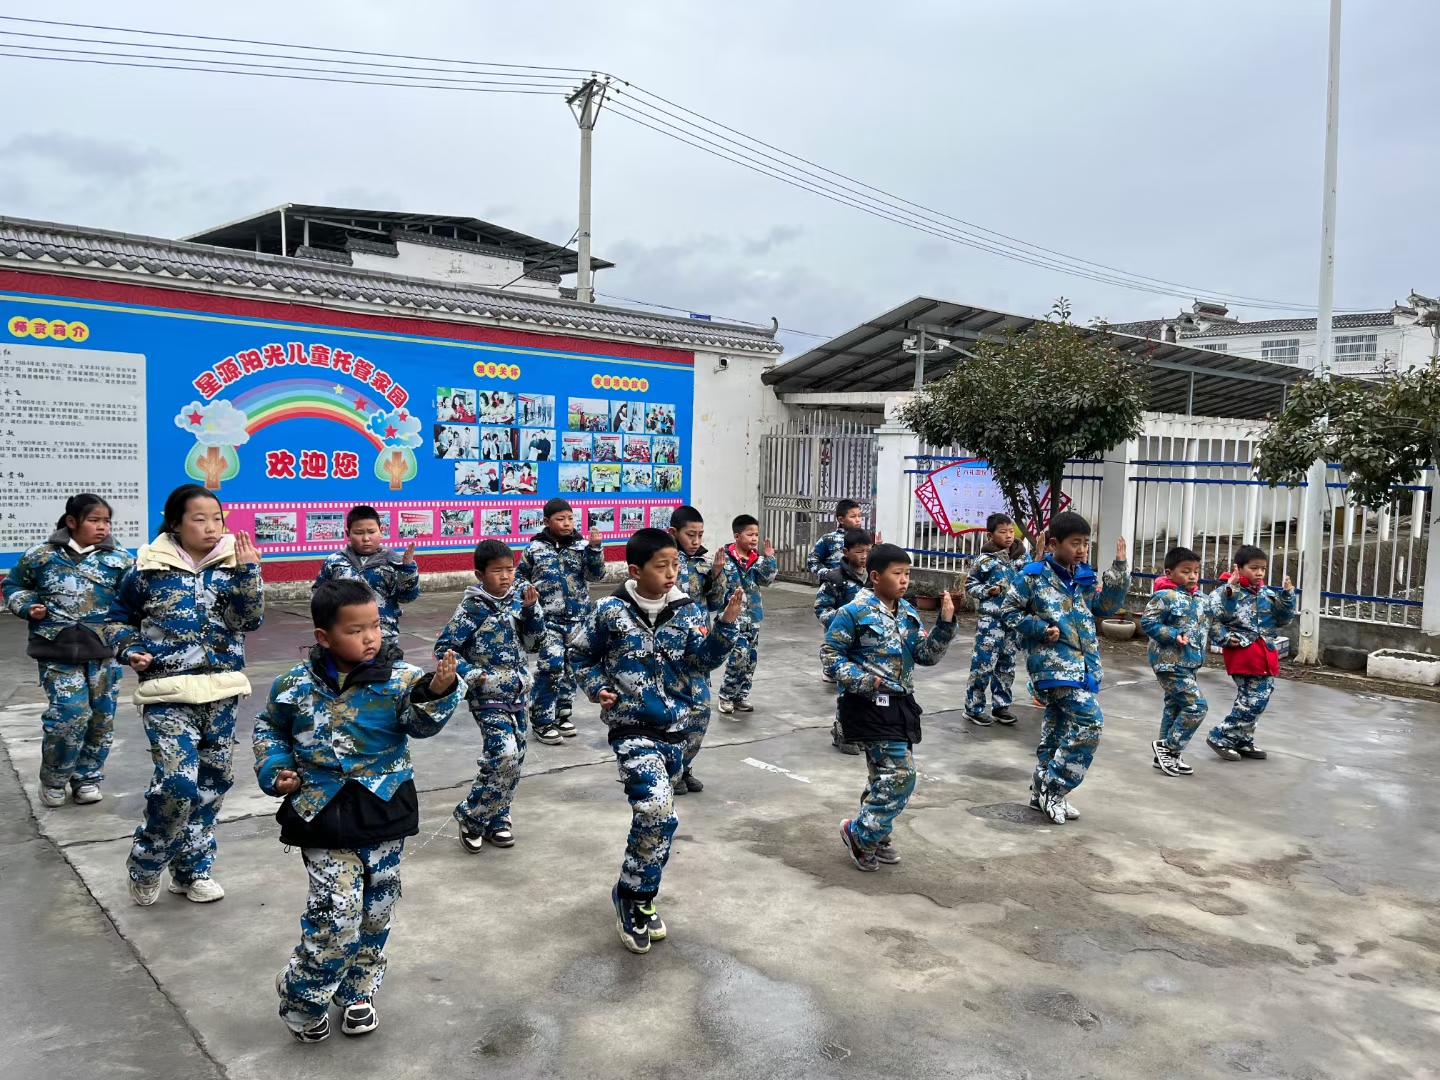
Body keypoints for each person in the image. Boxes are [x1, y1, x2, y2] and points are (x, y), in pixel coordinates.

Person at [253, 578, 462, 1043]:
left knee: (375, 912)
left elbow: (420, 724)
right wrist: (276, 770)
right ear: (324, 637)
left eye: (375, 627)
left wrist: (439, 689)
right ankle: (302, 996)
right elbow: (269, 731)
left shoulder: (401, 680)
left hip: (383, 812)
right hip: (322, 814)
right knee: (336, 914)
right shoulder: (293, 687)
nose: (370, 638)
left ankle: (357, 991)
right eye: (355, 630)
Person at [568, 528, 745, 953]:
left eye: (675, 565)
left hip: (677, 729)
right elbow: (579, 654)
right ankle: (634, 899)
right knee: (655, 807)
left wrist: (725, 627)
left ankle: (638, 893)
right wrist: (596, 688)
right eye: (661, 565)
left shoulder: (686, 610)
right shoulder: (609, 611)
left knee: (660, 822)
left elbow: (703, 661)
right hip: (631, 727)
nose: (671, 573)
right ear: (636, 570)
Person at [104, 484, 264, 906]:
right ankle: (147, 861)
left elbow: (247, 621)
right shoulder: (146, 568)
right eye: (199, 519)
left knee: (213, 784)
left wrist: (249, 574)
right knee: (177, 785)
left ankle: (192, 871)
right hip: (167, 693)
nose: (212, 528)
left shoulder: (234, 564)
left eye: (217, 518)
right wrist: (128, 648)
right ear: (175, 523)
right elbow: (117, 617)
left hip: (223, 692)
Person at [826, 543, 956, 872]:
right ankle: (860, 834)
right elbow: (830, 656)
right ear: (875, 576)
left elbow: (926, 656)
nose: (904, 580)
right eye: (897, 573)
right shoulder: (853, 612)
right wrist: (866, 681)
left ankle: (877, 833)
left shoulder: (908, 614)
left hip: (901, 705)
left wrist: (945, 623)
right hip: (867, 704)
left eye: (907, 574)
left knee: (881, 774)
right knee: (901, 774)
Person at [999, 511, 1129, 825]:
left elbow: (1104, 607)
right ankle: (1055, 787)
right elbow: (1008, 610)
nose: (1082, 549)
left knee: (1057, 730)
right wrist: (1039, 627)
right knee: (1090, 723)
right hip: (1052, 667)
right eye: (1075, 543)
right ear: (1055, 543)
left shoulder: (1083, 576)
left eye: (1086, 543)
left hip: (1083, 667)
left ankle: (1040, 790)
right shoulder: (1033, 575)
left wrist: (1119, 570)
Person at [4, 493, 133, 807]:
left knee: (101, 720)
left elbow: (132, 600)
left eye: (106, 521)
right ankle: (54, 780)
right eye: (94, 520)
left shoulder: (120, 559)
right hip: (56, 650)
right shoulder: (41, 555)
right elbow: (13, 585)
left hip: (103, 652)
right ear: (72, 521)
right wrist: (26, 606)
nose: (102, 527)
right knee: (69, 716)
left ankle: (87, 778)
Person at [436, 540, 545, 851]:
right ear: (479, 574)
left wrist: (531, 611)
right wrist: (477, 678)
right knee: (503, 754)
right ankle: (472, 816)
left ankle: (499, 817)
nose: (506, 577)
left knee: (516, 761)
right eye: (497, 571)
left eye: (510, 570)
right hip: (488, 698)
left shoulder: (519, 601)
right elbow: (445, 649)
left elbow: (534, 643)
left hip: (519, 693)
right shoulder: (472, 608)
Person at [516, 498, 606, 744]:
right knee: (552, 665)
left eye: (570, 518)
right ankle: (541, 719)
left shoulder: (583, 546)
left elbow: (595, 575)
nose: (567, 523)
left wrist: (596, 550)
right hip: (547, 620)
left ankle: (562, 714)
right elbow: (519, 576)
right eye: (560, 519)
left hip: (577, 620)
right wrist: (527, 591)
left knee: (570, 668)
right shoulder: (534, 548)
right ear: (547, 522)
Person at [1205, 545, 1296, 763]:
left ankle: (1242, 739)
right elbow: (1212, 617)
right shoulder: (1226, 591)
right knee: (1253, 700)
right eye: (1254, 568)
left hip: (1265, 652)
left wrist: (1287, 598)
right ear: (1239, 567)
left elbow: (1283, 620)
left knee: (1255, 698)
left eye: (1263, 569)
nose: (1259, 573)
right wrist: (1225, 638)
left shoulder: (1267, 594)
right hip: (1244, 652)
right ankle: (1221, 735)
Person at [666, 506, 727, 794]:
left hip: (698, 648)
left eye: (700, 534)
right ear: (673, 533)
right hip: (667, 651)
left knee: (700, 713)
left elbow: (715, 604)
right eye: (690, 534)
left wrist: (716, 575)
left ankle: (683, 766)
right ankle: (669, 769)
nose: (695, 540)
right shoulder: (664, 560)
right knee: (670, 715)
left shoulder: (705, 562)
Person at [1141, 546, 1212, 776]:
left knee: (1174, 707)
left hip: (1190, 663)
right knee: (1196, 706)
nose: (1192, 576)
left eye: (1196, 571)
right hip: (1169, 662)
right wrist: (1173, 635)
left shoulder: (1200, 598)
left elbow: (1215, 618)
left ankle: (1164, 757)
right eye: (1186, 571)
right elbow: (1148, 622)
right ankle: (1169, 748)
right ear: (1170, 573)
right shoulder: (1165, 596)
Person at [313, 507, 419, 651]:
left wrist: (408, 569)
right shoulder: (335, 562)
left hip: (383, 638)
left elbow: (407, 597)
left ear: (381, 531)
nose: (366, 538)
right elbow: (319, 596)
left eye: (371, 532)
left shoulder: (393, 562)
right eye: (358, 533)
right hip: (344, 639)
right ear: (347, 534)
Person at [963, 513, 1028, 727]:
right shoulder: (984, 560)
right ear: (991, 535)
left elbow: (1030, 584)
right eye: (1003, 532)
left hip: (1012, 621)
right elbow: (970, 585)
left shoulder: (1022, 559)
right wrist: (987, 591)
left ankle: (1001, 706)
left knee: (1006, 665)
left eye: (1011, 531)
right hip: (990, 622)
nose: (1009, 536)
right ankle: (973, 708)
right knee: (983, 664)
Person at [814, 528, 872, 755]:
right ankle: (843, 731)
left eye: (868, 551)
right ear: (846, 552)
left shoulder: (874, 576)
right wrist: (841, 620)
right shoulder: (835, 580)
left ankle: (863, 731)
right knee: (848, 690)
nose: (864, 556)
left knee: (869, 689)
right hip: (844, 644)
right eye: (859, 552)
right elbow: (821, 608)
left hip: (869, 643)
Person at [715, 514, 778, 715]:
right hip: (733, 619)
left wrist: (769, 558)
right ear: (736, 535)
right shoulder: (725, 559)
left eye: (756, 535)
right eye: (749, 534)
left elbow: (767, 580)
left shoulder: (757, 559)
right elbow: (715, 587)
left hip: (753, 618)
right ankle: (726, 695)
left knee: (750, 659)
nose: (754, 538)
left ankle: (740, 696)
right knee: (738, 656)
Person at [807, 499, 867, 577]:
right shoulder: (829, 539)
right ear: (841, 520)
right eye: (853, 516)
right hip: (834, 586)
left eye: (859, 516)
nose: (858, 520)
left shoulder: (863, 539)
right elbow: (812, 560)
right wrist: (827, 574)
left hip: (858, 585)